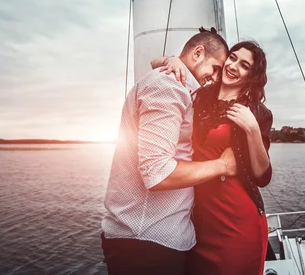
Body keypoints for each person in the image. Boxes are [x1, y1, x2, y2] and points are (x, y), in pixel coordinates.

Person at [101, 28, 236, 275]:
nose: (216, 78)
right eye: (215, 68)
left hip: (153, 241)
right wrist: (223, 165)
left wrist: (167, 60)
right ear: (197, 53)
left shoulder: (177, 83)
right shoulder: (168, 86)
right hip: (146, 244)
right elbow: (157, 172)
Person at [155, 40, 274, 275]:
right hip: (198, 219)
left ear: (252, 75)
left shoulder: (258, 113)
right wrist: (173, 60)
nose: (233, 66)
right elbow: (154, 65)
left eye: (244, 65)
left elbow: (263, 176)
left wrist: (251, 128)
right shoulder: (199, 94)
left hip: (236, 221)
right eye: (232, 58)